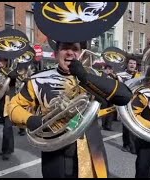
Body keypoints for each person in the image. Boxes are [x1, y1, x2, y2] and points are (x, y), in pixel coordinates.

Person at [8, 41, 133, 178]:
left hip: (91, 148)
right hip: (54, 151)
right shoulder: (37, 79)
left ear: (80, 53)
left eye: (75, 49)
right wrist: (29, 119)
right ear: (56, 54)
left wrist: (84, 77)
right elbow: (13, 106)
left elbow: (125, 96)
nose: (70, 52)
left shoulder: (94, 75)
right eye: (65, 48)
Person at [116, 55, 141, 154]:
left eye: (134, 64)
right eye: (130, 63)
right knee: (126, 125)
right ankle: (127, 145)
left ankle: (132, 145)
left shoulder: (140, 75)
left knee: (134, 125)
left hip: (135, 103)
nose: (132, 65)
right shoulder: (120, 75)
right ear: (127, 64)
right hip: (124, 102)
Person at [0, 57, 15, 161]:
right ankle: (6, 148)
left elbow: (14, 76)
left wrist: (2, 70)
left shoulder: (12, 72)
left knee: (7, 127)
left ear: (6, 62)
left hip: (10, 102)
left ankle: (7, 151)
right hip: (2, 102)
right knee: (5, 127)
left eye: (0, 60)